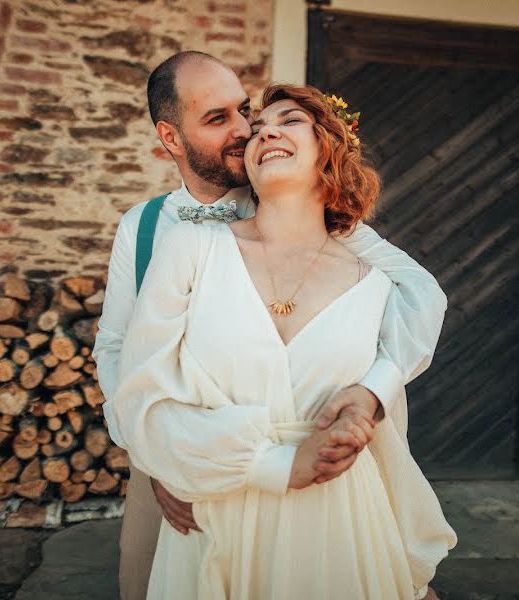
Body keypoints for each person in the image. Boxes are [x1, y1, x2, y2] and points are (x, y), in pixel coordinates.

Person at [93, 52, 453, 600]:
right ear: (172, 137)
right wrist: (163, 463)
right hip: (172, 458)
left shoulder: (320, 224)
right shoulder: (146, 230)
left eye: (244, 111)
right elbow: (119, 349)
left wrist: (371, 391)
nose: (244, 131)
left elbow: (419, 293)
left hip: (324, 496)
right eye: (218, 120)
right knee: (142, 582)